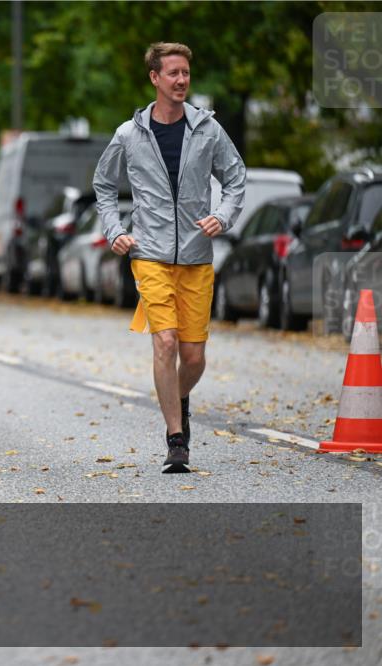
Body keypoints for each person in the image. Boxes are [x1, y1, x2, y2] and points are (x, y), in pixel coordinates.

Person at [93, 42, 246, 473]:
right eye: (173, 73)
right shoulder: (129, 134)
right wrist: (115, 230)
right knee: (166, 341)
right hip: (150, 253)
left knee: (194, 356)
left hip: (197, 255)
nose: (181, 81)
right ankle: (176, 439)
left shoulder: (208, 130)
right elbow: (104, 186)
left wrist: (223, 216)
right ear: (155, 78)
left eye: (186, 74)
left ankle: (178, 399)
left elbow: (235, 179)